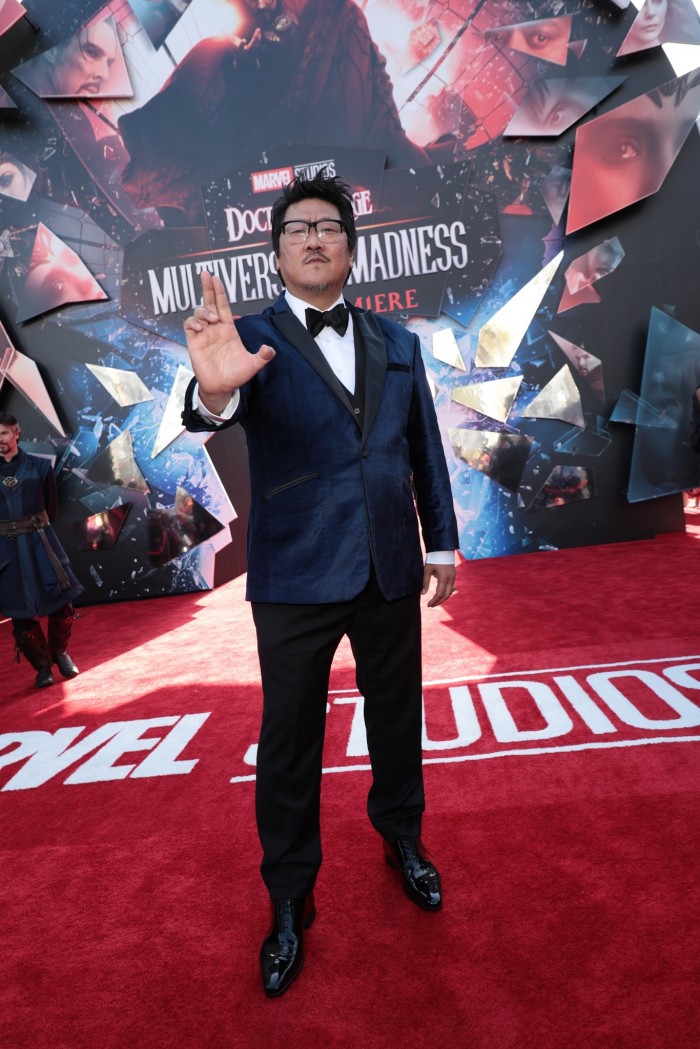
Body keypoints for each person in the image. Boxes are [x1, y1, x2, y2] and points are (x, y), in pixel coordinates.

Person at [181, 172, 459, 997]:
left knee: (396, 717)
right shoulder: (246, 339)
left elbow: (423, 448)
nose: (314, 238)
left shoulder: (398, 341)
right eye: (298, 228)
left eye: (329, 227)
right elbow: (211, 407)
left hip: (388, 562)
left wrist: (442, 542)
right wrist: (214, 391)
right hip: (294, 572)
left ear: (350, 247)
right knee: (290, 739)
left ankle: (402, 836)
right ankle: (289, 896)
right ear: (276, 251)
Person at [118, 0, 432, 224]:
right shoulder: (218, 56)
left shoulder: (342, 21)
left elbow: (380, 119)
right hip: (259, 147)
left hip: (313, 144)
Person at [0, 413, 83, 688]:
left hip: (41, 545)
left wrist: (35, 528)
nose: (0, 440)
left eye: (3, 433)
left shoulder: (39, 466)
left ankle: (60, 653)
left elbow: (51, 506)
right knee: (20, 614)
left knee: (63, 603)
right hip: (7, 552)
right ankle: (43, 667)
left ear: (16, 432)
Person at [15, 18, 121, 98]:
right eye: (92, 53)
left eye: (108, 63)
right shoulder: (18, 94)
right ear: (53, 51)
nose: (105, 75)